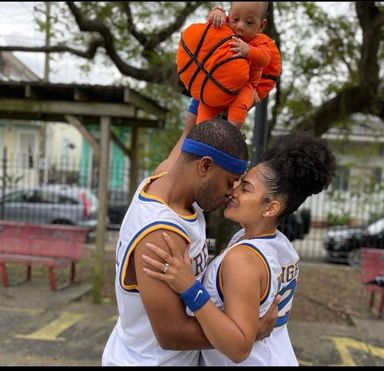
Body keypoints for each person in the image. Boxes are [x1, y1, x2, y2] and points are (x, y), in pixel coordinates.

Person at [142, 132, 337, 365]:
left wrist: (189, 287)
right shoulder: (278, 244)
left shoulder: (243, 260)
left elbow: (238, 348)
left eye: (245, 189)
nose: (233, 191)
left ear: (270, 208)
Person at [101, 118, 278, 366]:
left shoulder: (163, 180)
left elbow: (190, 135)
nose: (232, 192)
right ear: (205, 166)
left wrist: (203, 102)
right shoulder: (161, 235)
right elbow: (171, 334)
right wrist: (247, 334)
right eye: (229, 181)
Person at [178, 1, 281, 128]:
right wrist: (217, 13)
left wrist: (248, 50)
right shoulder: (226, 28)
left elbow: (265, 59)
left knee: (240, 104)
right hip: (216, 82)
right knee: (205, 107)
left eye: (249, 22)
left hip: (244, 87)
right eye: (235, 19)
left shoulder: (260, 41)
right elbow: (212, 23)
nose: (240, 26)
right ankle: (202, 132)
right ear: (230, 15)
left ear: (261, 26)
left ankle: (231, 131)